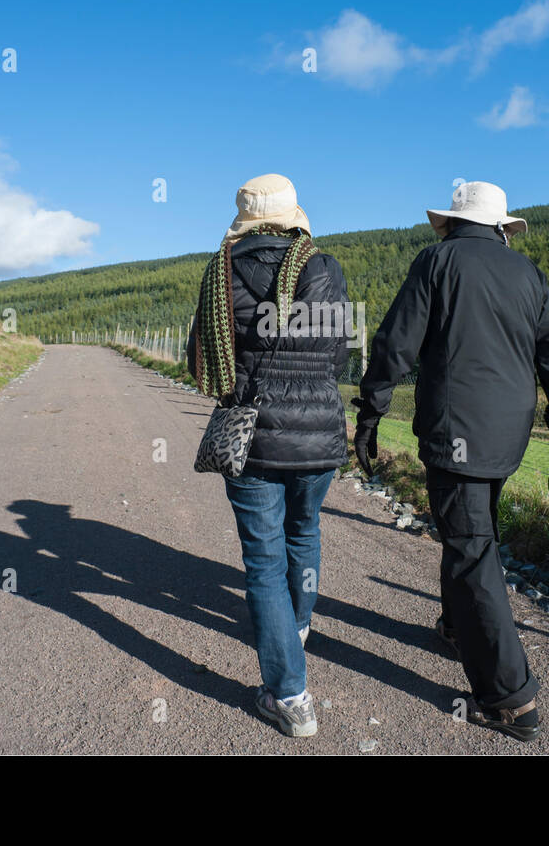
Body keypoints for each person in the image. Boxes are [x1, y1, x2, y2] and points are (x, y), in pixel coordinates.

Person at [353, 181, 549, 743]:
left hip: (454, 432)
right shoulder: (526, 273)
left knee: (470, 551)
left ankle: (511, 699)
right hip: (508, 437)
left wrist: (369, 411)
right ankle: (458, 629)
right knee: (472, 536)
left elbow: (395, 345)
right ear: (503, 226)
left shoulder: (436, 262)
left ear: (452, 223)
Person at [188, 173, 350, 738]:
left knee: (263, 560)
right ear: (292, 216)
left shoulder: (221, 272)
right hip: (320, 433)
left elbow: (199, 360)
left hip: (252, 436)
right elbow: (338, 354)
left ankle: (291, 697)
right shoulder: (324, 268)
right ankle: (298, 626)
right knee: (304, 534)